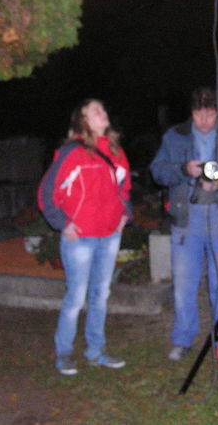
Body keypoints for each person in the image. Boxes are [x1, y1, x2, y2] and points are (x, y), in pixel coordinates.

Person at [150, 87, 218, 361]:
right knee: (184, 285)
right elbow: (157, 171)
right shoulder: (175, 136)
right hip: (186, 221)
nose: (204, 120)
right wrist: (183, 170)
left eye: (210, 113)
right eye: (198, 113)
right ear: (191, 112)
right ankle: (183, 339)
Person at [38, 98, 131, 375]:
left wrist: (124, 214)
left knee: (100, 296)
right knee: (76, 298)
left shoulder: (115, 152)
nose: (103, 113)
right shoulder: (72, 153)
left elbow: (124, 188)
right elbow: (46, 192)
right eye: (95, 111)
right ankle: (64, 353)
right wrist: (62, 223)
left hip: (109, 235)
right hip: (80, 238)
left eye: (103, 109)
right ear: (84, 121)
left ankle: (96, 351)